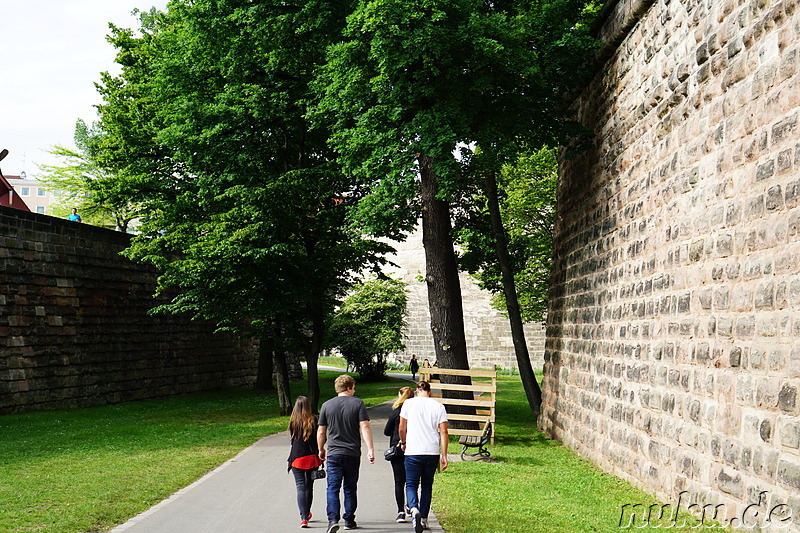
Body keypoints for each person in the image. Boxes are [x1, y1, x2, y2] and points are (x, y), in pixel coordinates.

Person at [318, 375, 375, 533]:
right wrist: (370, 449)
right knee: (350, 487)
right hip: (352, 452)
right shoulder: (358, 404)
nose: (354, 390)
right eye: (353, 387)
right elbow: (365, 427)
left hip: (334, 452)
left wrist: (321, 449)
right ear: (349, 388)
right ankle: (349, 520)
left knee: (333, 488)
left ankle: (333, 520)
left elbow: (322, 430)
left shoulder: (327, 405)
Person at [399, 381, 449, 533]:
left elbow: (402, 427)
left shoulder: (408, 404)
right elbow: (444, 432)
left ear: (417, 390)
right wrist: (444, 454)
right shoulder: (438, 406)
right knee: (427, 485)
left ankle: (413, 508)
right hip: (431, 451)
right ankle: (425, 518)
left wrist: (403, 442)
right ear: (430, 390)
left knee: (411, 484)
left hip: (413, 450)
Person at [288, 396, 324, 528]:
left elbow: (293, 441)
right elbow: (318, 438)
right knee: (309, 487)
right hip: (311, 458)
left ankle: (304, 517)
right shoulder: (314, 420)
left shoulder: (293, 421)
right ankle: (307, 512)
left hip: (297, 458)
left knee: (300, 487)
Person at [383, 386, 414, 523]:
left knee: (398, 481)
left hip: (396, 448)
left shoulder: (396, 412)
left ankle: (400, 511)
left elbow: (386, 431)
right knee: (411, 481)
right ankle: (410, 505)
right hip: (413, 448)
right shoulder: (415, 411)